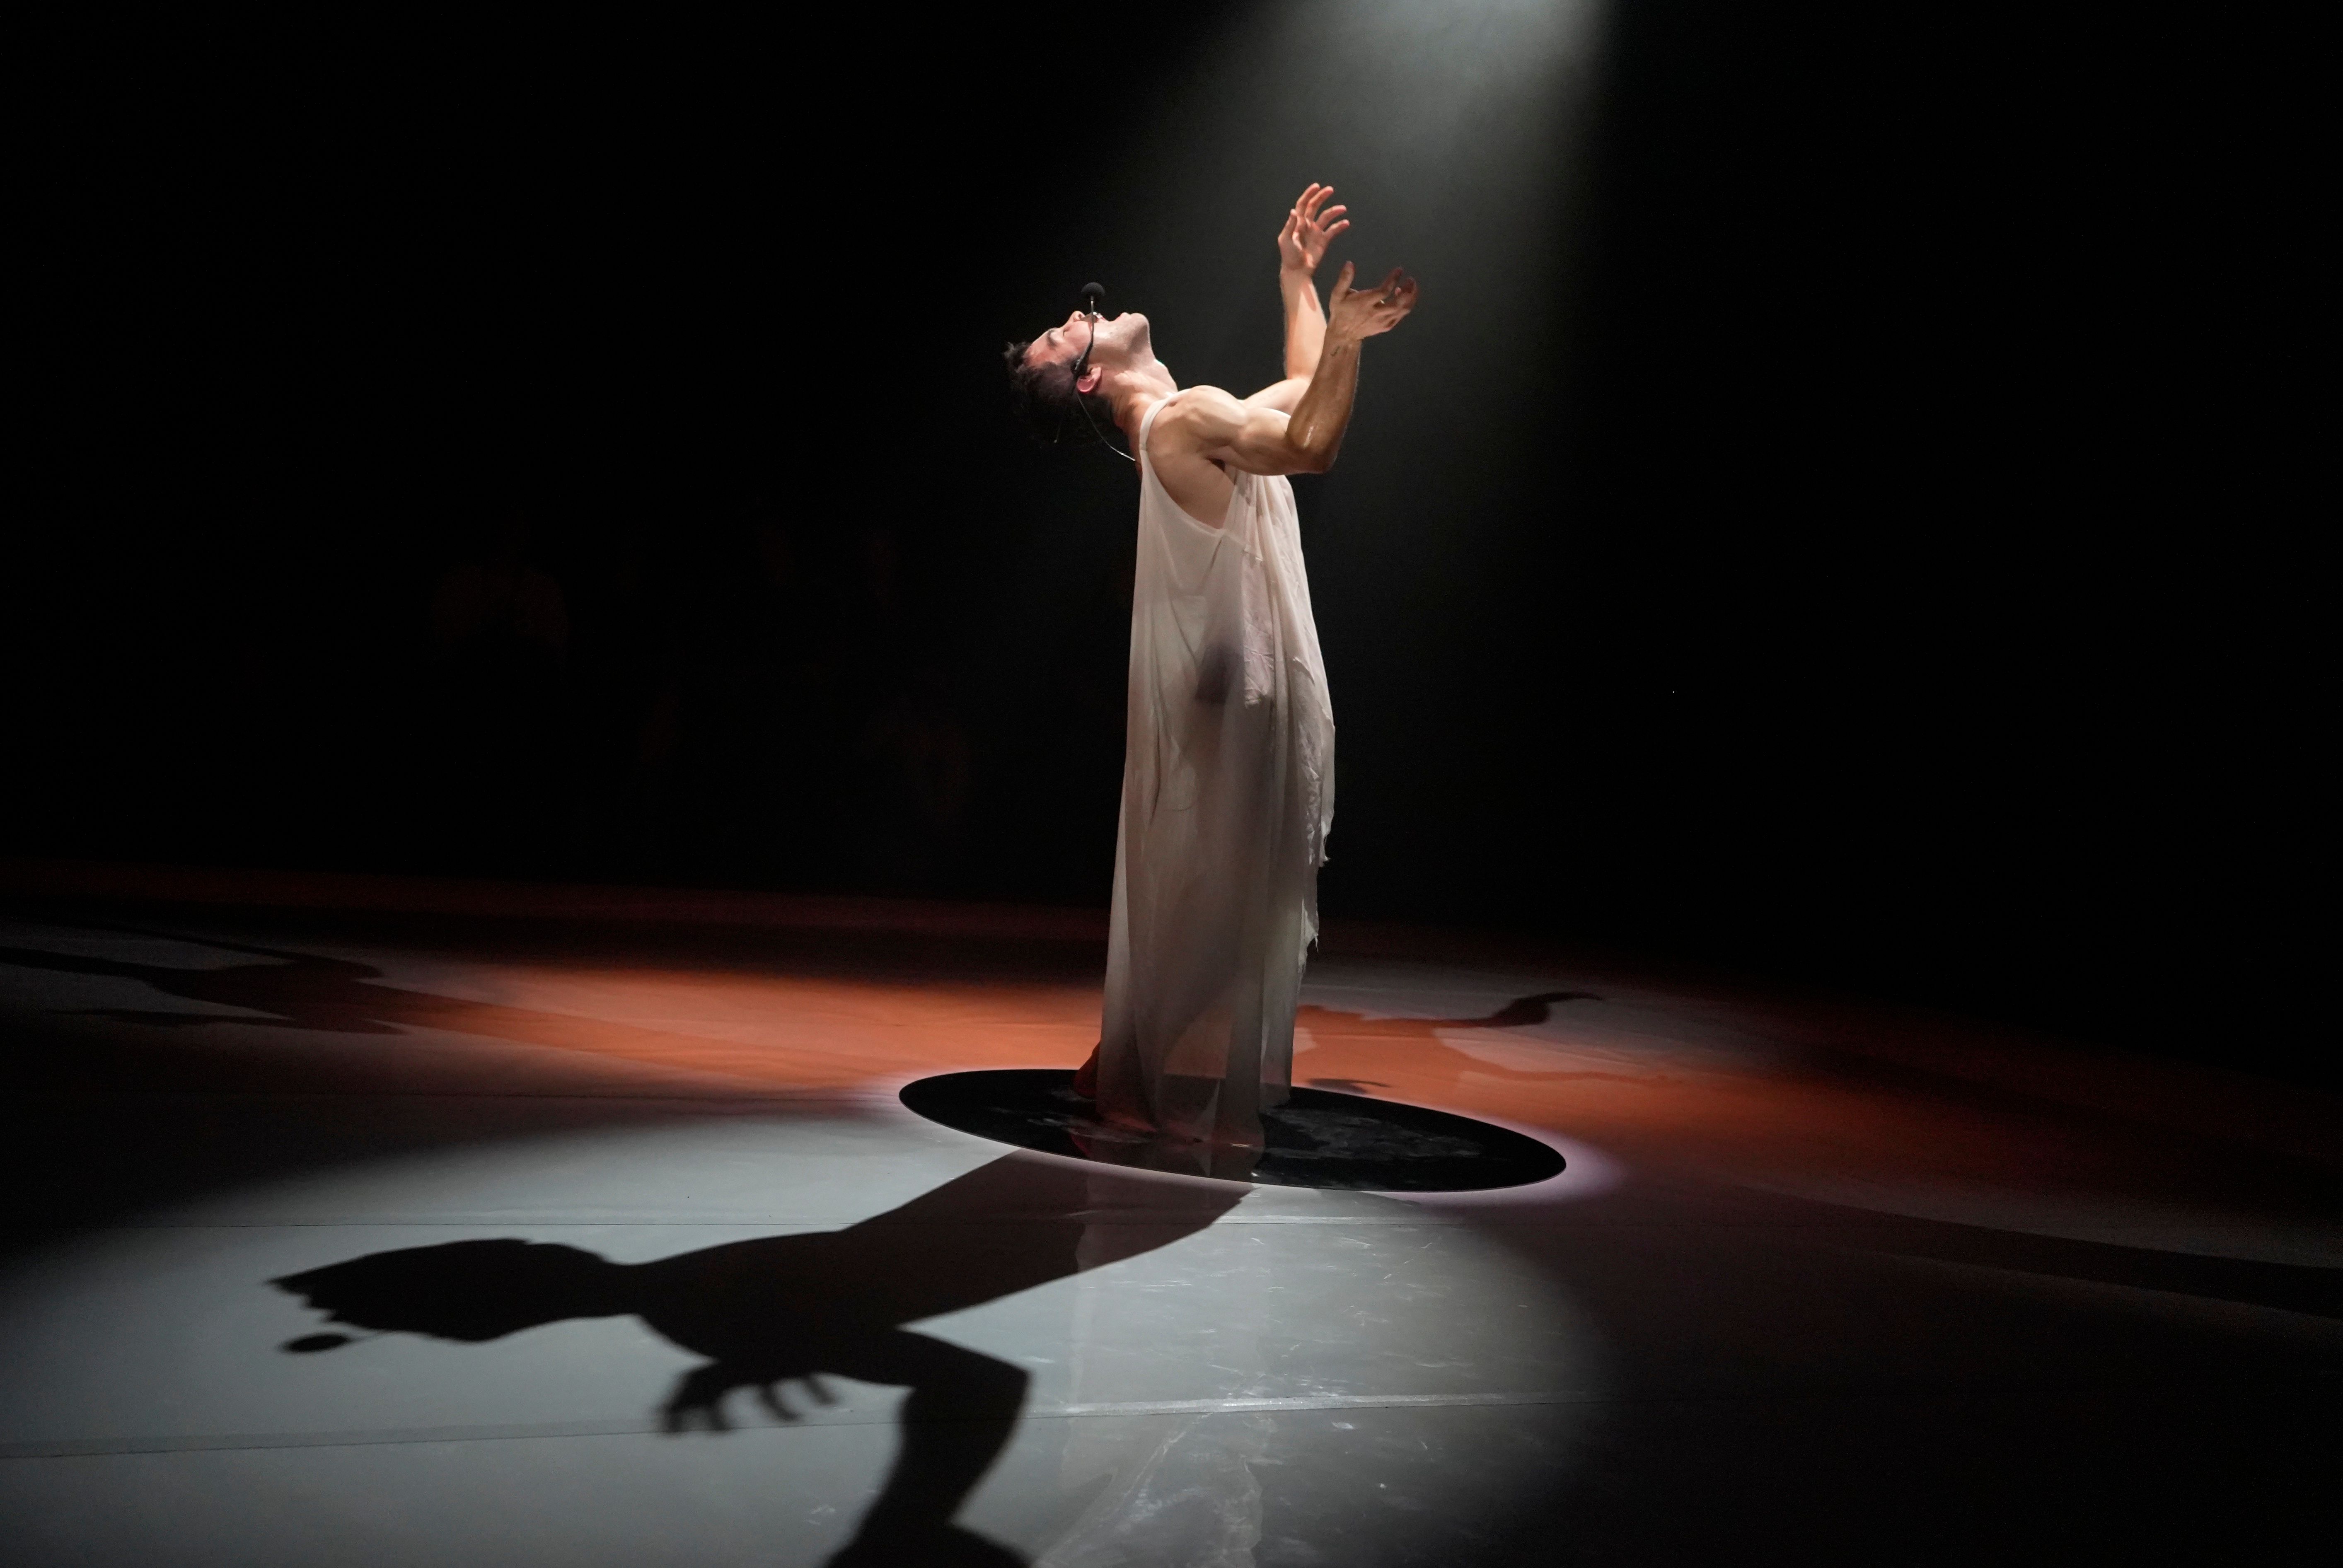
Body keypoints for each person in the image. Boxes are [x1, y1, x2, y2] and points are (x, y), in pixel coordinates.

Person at [1002, 184, 1418, 1155]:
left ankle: (1119, 1064)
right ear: (1090, 384)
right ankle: (1122, 1071)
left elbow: (1299, 393)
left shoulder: (1192, 416)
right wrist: (1348, 338)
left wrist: (1296, 282)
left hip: (1240, 689)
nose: (1079, 314)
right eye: (1065, 337)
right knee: (1228, 907)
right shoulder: (1185, 420)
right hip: (1237, 697)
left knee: (1236, 904)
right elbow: (1313, 443)